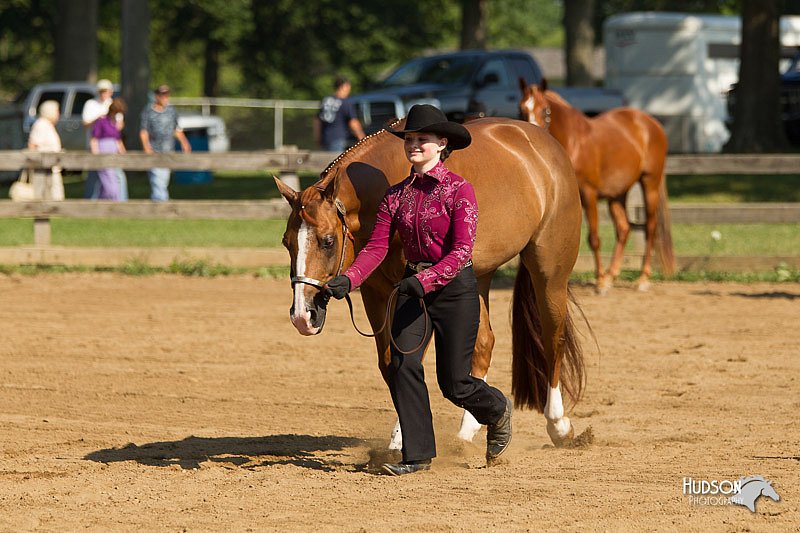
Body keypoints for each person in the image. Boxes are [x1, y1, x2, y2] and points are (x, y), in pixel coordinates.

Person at [324, 104, 512, 476]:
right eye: (410, 139)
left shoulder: (461, 191)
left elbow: (461, 253)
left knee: (454, 384)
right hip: (413, 290)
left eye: (421, 139)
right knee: (403, 364)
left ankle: (498, 410)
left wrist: (422, 281)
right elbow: (376, 247)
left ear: (442, 144)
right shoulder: (396, 197)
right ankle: (417, 455)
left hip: (455, 290)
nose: (413, 145)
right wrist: (350, 278)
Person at [139, 84, 191, 202]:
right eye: (162, 95)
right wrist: (146, 147)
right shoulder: (148, 111)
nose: (165, 98)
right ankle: (162, 202)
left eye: (167, 95)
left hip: (168, 150)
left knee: (163, 179)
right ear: (156, 96)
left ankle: (157, 202)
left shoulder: (171, 111)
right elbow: (144, 131)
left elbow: (176, 129)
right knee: (157, 178)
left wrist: (184, 142)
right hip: (154, 150)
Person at [82, 79, 127, 200]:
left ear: (111, 92)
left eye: (106, 91)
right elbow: (86, 124)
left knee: (116, 175)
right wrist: (100, 120)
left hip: (112, 145)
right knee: (94, 176)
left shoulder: (113, 104)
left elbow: (120, 126)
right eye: (101, 91)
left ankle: (119, 200)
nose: (104, 94)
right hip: (96, 144)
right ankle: (90, 201)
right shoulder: (91, 104)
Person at [314, 76, 365, 153]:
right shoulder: (345, 102)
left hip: (324, 138)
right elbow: (353, 122)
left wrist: (317, 138)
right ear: (343, 86)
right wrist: (362, 138)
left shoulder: (326, 100)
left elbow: (317, 120)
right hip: (337, 138)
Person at [27, 100, 65, 201]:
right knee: (48, 197)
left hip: (52, 166)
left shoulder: (47, 125)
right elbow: (33, 145)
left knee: (55, 196)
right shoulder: (41, 125)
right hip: (43, 167)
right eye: (57, 111)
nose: (58, 114)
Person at [90, 98, 127, 200]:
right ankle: (113, 200)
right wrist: (96, 155)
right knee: (109, 184)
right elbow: (94, 139)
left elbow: (118, 140)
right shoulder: (102, 121)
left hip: (114, 153)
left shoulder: (115, 123)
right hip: (103, 153)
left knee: (113, 180)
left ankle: (103, 203)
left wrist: (124, 154)